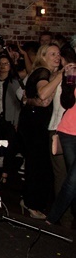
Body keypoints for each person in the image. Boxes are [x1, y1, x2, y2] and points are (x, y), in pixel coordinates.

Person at [18, 43, 64, 219]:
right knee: (38, 165)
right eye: (52, 54)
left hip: (33, 122)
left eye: (58, 54)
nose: (57, 57)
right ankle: (32, 204)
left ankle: (28, 201)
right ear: (43, 57)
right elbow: (44, 97)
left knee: (36, 164)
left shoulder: (43, 73)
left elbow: (29, 98)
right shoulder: (43, 72)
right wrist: (60, 76)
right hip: (35, 124)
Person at [46, 59, 76, 228]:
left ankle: (51, 219)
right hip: (68, 132)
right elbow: (66, 102)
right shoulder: (73, 74)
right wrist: (69, 79)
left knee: (72, 180)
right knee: (72, 179)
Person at [0, 54, 23, 185]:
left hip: (8, 119)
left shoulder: (14, 82)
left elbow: (19, 103)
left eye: (6, 64)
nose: (3, 66)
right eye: (1, 64)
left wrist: (16, 121)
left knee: (8, 147)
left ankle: (5, 173)